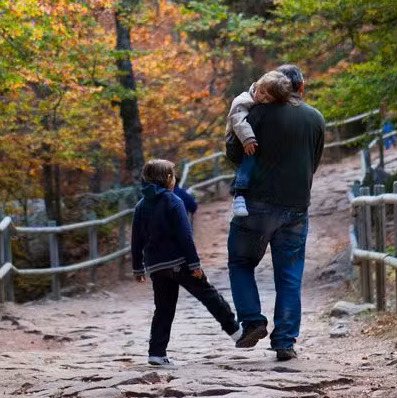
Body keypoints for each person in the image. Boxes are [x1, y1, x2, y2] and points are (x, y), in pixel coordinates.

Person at [226, 63, 325, 361]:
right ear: (301, 88)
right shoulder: (315, 118)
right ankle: (284, 341)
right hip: (296, 205)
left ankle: (253, 320)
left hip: (253, 205)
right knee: (289, 275)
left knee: (241, 263)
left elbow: (233, 154)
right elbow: (314, 161)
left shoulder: (253, 113)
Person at [131, 158, 241, 366]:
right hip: (180, 262)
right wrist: (194, 264)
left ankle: (156, 352)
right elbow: (185, 235)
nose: (174, 180)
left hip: (156, 267)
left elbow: (136, 239)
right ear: (167, 178)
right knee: (208, 294)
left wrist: (138, 267)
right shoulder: (173, 201)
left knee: (163, 308)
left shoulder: (141, 206)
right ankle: (235, 330)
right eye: (172, 175)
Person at [225, 70, 293, 218]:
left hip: (245, 138)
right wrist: (248, 139)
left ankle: (237, 185)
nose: (261, 97)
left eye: (267, 98)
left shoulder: (261, 105)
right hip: (235, 140)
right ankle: (239, 195)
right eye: (261, 92)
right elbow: (238, 120)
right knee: (250, 158)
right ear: (257, 85)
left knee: (250, 164)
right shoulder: (242, 100)